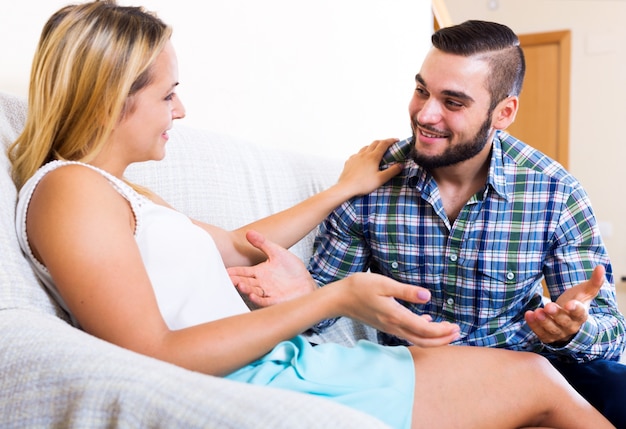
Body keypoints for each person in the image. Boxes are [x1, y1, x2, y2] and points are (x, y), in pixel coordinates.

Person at [9, 3, 614, 428]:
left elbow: (243, 245)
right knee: (535, 384)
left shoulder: (119, 192)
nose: (182, 109)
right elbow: (154, 352)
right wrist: (328, 297)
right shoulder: (72, 193)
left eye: (452, 101)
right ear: (116, 97)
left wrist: (337, 189)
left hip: (308, 364)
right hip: (273, 376)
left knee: (572, 382)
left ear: (502, 113)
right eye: (168, 94)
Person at [230, 19, 626, 427]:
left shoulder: (556, 192)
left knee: (620, 389)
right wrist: (306, 294)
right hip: (421, 379)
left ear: (503, 112)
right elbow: (326, 308)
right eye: (422, 91)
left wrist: (570, 331)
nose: (426, 114)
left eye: (452, 102)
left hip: (525, 369)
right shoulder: (373, 179)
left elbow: (611, 336)